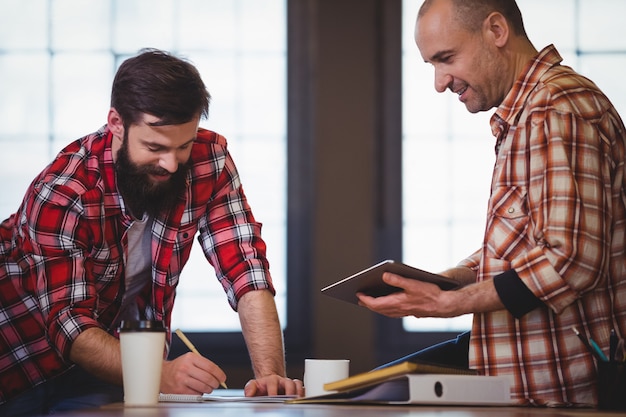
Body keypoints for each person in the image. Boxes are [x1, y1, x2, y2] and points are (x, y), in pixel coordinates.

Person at [0, 48, 303, 416]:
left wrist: (270, 376)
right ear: (116, 123)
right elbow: (69, 325)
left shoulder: (210, 159)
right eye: (154, 147)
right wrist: (160, 373)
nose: (172, 164)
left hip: (111, 361)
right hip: (19, 360)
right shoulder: (64, 191)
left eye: (184, 145)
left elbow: (245, 266)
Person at [357, 0, 626, 407]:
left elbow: (571, 261)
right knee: (367, 394)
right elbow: (526, 242)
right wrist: (448, 280)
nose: (439, 82)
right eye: (431, 65)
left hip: (564, 396)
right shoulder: (529, 114)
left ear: (497, 31)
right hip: (521, 382)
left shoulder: (556, 109)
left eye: (445, 58)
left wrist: (446, 303)